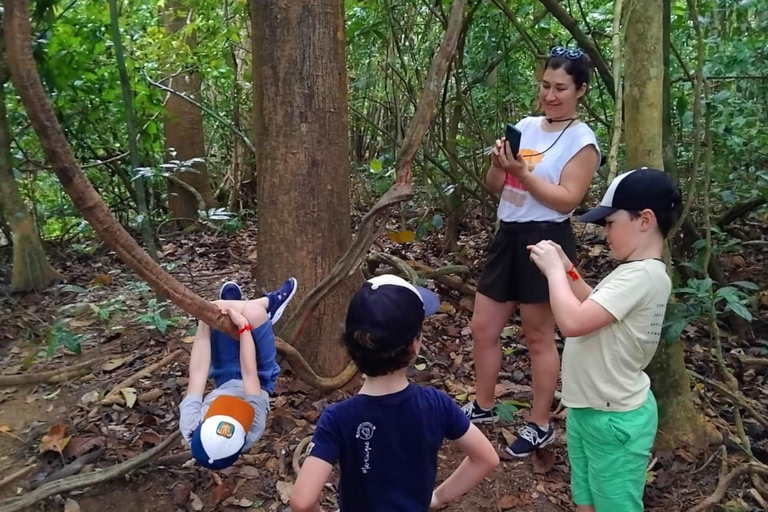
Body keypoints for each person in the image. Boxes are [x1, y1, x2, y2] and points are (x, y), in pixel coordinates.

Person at [463, 46, 602, 458]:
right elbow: (496, 186)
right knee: (483, 328)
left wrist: (523, 171)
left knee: (539, 336)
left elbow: (566, 200)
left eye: (561, 88)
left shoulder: (582, 140)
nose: (550, 95)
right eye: (545, 85)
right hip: (508, 235)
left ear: (581, 90)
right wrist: (499, 165)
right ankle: (484, 406)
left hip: (548, 239)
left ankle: (539, 424)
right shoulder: (525, 125)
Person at [528, 168, 680, 511]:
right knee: (586, 499)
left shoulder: (642, 275)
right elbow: (593, 303)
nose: (605, 233)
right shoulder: (633, 270)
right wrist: (567, 270)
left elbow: (572, 321)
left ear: (644, 220)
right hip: (590, 411)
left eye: (610, 223)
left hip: (615, 420)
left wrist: (553, 273)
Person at [290, 275, 500, 512]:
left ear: (350, 347)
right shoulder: (436, 403)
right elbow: (486, 459)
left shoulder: (338, 418)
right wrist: (437, 498)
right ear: (414, 346)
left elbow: (302, 501)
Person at [178, 278, 297, 469]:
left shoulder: (190, 423)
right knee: (254, 313)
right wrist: (243, 328)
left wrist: (203, 324)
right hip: (260, 375)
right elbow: (250, 374)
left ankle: (234, 303)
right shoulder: (252, 427)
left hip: (225, 374)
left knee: (215, 311)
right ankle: (268, 304)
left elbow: (199, 371)